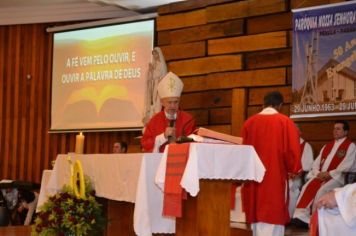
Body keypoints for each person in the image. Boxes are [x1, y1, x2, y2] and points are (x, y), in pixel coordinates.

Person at [241, 91, 301, 236]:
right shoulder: (285, 122)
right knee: (273, 214)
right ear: (280, 105)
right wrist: (294, 168)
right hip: (275, 176)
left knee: (257, 217)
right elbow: (292, 151)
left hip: (254, 178)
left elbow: (243, 152)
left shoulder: (249, 123)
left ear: (263, 104)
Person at [292, 120, 356, 228]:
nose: (335, 131)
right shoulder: (327, 146)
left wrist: (330, 174)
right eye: (334, 129)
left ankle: (315, 219)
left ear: (346, 132)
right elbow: (316, 163)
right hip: (322, 176)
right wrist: (318, 173)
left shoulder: (350, 146)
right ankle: (301, 216)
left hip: (338, 177)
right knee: (307, 186)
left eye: (338, 129)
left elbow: (347, 165)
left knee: (322, 190)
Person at [141, 71, 196, 153]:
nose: (173, 106)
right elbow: (145, 143)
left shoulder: (188, 120)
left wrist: (177, 141)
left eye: (176, 102)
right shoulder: (154, 121)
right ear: (162, 102)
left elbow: (194, 143)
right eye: (169, 102)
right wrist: (163, 137)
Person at [288, 124, 314, 216]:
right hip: (286, 176)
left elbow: (307, 166)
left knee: (292, 187)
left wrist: (296, 175)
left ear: (300, 133)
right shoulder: (286, 144)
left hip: (299, 176)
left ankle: (290, 216)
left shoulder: (306, 146)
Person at [143, 47, 168, 126]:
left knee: (157, 103)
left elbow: (159, 74)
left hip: (158, 87)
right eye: (153, 54)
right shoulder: (154, 64)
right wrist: (150, 71)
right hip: (153, 87)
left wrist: (152, 70)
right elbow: (150, 77)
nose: (154, 56)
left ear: (158, 54)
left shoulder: (161, 65)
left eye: (155, 54)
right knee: (151, 104)